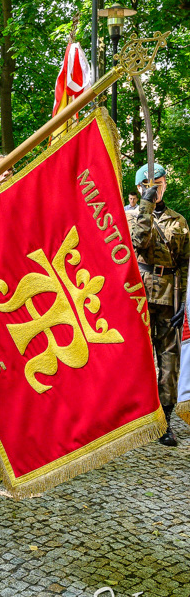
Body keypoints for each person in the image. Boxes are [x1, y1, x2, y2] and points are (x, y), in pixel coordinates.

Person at [127, 162, 190, 446]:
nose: (155, 187)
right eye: (148, 184)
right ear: (140, 187)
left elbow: (185, 263)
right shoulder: (132, 216)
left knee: (169, 360)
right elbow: (137, 242)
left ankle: (164, 420)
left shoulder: (179, 221)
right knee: (136, 360)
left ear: (165, 183)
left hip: (168, 294)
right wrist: (146, 205)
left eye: (159, 182)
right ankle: (135, 417)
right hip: (138, 296)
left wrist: (182, 303)